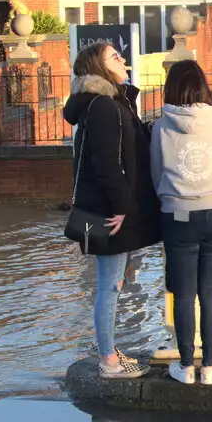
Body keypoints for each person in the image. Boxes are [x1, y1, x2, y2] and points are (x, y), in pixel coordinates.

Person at [62, 41, 162, 378]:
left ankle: (108, 349)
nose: (122, 60)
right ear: (99, 68)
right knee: (110, 285)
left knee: (112, 282)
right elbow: (106, 163)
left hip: (103, 208)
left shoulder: (110, 103)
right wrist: (122, 208)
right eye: (114, 57)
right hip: (107, 212)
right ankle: (108, 361)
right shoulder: (103, 106)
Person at [151, 59, 212, 385]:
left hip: (178, 214)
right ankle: (211, 366)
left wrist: (173, 196)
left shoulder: (161, 127)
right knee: (211, 293)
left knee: (184, 294)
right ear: (203, 85)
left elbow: (155, 172)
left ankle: (186, 366)